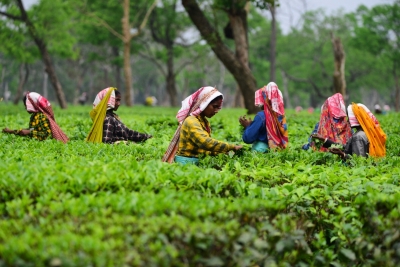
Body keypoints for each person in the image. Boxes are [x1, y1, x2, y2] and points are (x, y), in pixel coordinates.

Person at [162, 86, 242, 165]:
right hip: (185, 163)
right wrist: (231, 147)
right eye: (214, 106)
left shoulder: (204, 122)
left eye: (218, 108)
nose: (216, 111)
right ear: (204, 103)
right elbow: (205, 143)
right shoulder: (191, 121)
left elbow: (202, 149)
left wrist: (222, 152)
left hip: (196, 161)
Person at [312, 103, 386, 159]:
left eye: (349, 117)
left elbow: (359, 161)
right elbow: (345, 147)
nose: (347, 120)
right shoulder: (365, 133)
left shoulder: (358, 137)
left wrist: (343, 155)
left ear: (355, 118)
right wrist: (324, 140)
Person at [86, 87, 152, 144]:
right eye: (116, 100)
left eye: (119, 100)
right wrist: (124, 143)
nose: (119, 103)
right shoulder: (108, 119)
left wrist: (147, 137)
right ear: (108, 100)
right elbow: (106, 143)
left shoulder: (113, 116)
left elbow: (128, 133)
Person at [238, 82, 288, 152]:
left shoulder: (261, 116)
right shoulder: (281, 117)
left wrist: (248, 127)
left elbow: (248, 138)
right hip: (278, 151)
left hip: (261, 151)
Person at [2, 92, 69, 143]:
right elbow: (32, 129)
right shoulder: (34, 116)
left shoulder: (42, 116)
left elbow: (46, 134)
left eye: (26, 105)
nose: (26, 108)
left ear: (33, 104)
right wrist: (11, 131)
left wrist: (29, 132)